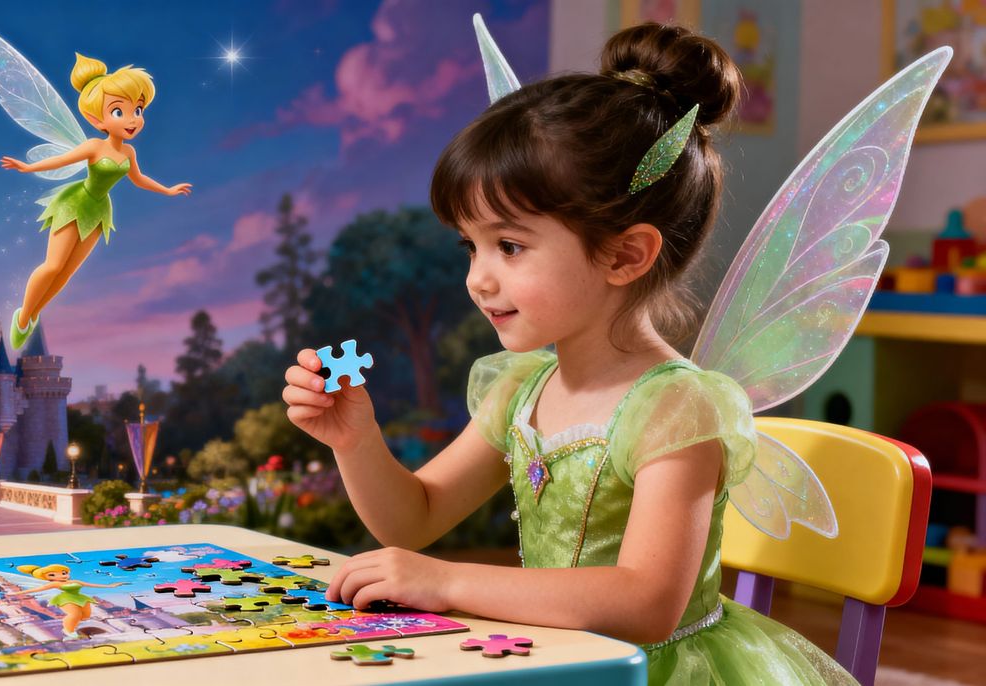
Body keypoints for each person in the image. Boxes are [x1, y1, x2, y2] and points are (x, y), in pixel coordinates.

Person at [279, 17, 949, 683]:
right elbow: (415, 516)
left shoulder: (677, 408)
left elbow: (647, 602)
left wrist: (447, 582)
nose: (478, 277)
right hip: (556, 657)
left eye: (509, 246)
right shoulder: (525, 386)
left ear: (625, 254)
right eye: (471, 246)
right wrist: (354, 439)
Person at [0, 13, 191, 350]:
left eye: (138, 110)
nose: (133, 119)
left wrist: (168, 190)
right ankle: (24, 316)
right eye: (120, 111)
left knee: (65, 274)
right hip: (76, 203)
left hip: (99, 211)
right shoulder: (94, 146)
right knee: (53, 264)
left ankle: (35, 311)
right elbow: (62, 160)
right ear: (98, 118)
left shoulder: (128, 155)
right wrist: (27, 167)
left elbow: (139, 180)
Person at [5, 563, 122, 639]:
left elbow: (91, 584)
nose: (62, 576)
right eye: (53, 574)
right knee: (74, 614)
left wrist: (110, 586)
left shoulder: (75, 581)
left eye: (64, 573)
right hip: (65, 599)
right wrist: (15, 593)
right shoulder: (54, 584)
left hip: (80, 598)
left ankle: (76, 625)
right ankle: (68, 631)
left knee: (86, 615)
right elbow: (37, 589)